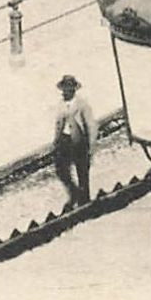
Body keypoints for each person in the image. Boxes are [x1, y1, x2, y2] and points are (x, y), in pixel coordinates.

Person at [52, 74, 95, 207]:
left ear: (74, 89)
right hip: (64, 140)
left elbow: (91, 125)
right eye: (64, 88)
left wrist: (91, 145)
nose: (66, 91)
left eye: (69, 88)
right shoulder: (61, 104)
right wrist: (56, 140)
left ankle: (85, 201)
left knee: (82, 170)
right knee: (61, 170)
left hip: (79, 140)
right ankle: (74, 193)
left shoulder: (82, 104)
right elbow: (59, 123)